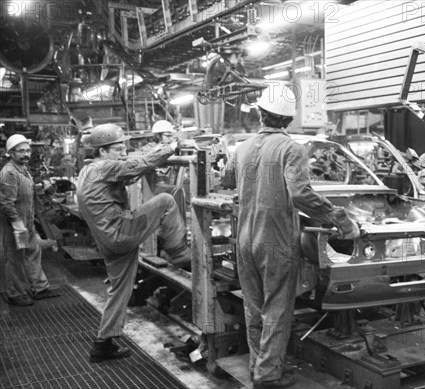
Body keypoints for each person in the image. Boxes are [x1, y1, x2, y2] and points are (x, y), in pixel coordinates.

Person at [222, 82, 360, 389]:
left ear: (260, 114)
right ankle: (269, 376)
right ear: (288, 119)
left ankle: (259, 366)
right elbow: (300, 194)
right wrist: (340, 219)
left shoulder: (242, 147)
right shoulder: (292, 149)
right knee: (277, 309)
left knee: (253, 306)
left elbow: (226, 177)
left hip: (244, 239)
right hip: (275, 241)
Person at [76, 123, 191, 362]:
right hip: (119, 233)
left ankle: (103, 344)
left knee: (119, 290)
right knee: (166, 201)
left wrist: (154, 154)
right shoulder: (103, 167)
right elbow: (135, 165)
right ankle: (180, 254)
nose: (123, 153)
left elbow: (130, 170)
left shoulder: (88, 171)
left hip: (108, 240)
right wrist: (170, 146)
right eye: (118, 149)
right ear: (102, 151)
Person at [0, 134, 62, 306]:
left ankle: (39, 287)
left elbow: (23, 191)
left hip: (26, 221)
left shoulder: (22, 169)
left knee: (33, 252)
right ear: (11, 153)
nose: (26, 154)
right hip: (16, 224)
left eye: (27, 150)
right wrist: (17, 225)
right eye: (21, 151)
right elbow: (6, 203)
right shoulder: (9, 173)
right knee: (15, 258)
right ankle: (16, 293)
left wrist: (40, 187)